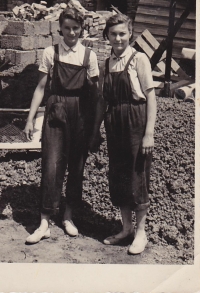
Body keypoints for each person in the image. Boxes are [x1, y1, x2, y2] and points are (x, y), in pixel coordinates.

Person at [24, 7, 103, 244]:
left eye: (75, 28)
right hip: (55, 110)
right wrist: (30, 118)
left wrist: (95, 127)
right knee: (51, 164)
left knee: (76, 166)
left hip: (80, 114)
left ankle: (68, 216)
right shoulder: (50, 52)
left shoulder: (89, 56)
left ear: (82, 29)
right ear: (60, 28)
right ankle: (44, 222)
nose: (71, 32)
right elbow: (40, 88)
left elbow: (97, 96)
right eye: (67, 28)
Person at [102, 13, 157, 254]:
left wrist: (149, 133)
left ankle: (141, 233)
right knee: (119, 175)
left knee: (137, 176)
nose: (118, 38)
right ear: (107, 36)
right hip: (114, 122)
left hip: (135, 119)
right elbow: (103, 100)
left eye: (122, 33)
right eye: (113, 34)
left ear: (130, 33)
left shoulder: (139, 59)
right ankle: (126, 229)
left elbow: (151, 97)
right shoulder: (107, 63)